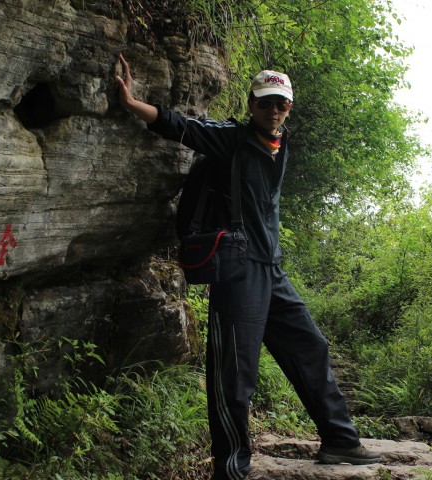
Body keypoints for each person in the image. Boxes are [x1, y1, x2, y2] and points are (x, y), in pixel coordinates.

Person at [115, 53, 382, 479]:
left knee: (310, 346)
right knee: (235, 373)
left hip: (272, 269)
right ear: (251, 104)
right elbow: (183, 126)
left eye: (281, 104)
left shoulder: (281, 142)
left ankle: (339, 439)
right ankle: (231, 468)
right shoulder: (232, 139)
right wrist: (133, 104)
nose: (274, 111)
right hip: (238, 270)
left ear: (289, 107)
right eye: (266, 102)